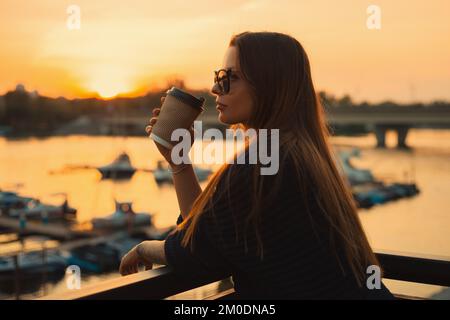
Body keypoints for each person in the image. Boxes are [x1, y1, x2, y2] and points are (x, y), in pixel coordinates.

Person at [119, 31, 394, 300]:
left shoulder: (262, 163)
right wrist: (179, 161)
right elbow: (209, 236)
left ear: (269, 85)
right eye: (219, 76)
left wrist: (144, 248)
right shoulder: (296, 153)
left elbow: (194, 251)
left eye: (231, 78)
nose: (216, 88)